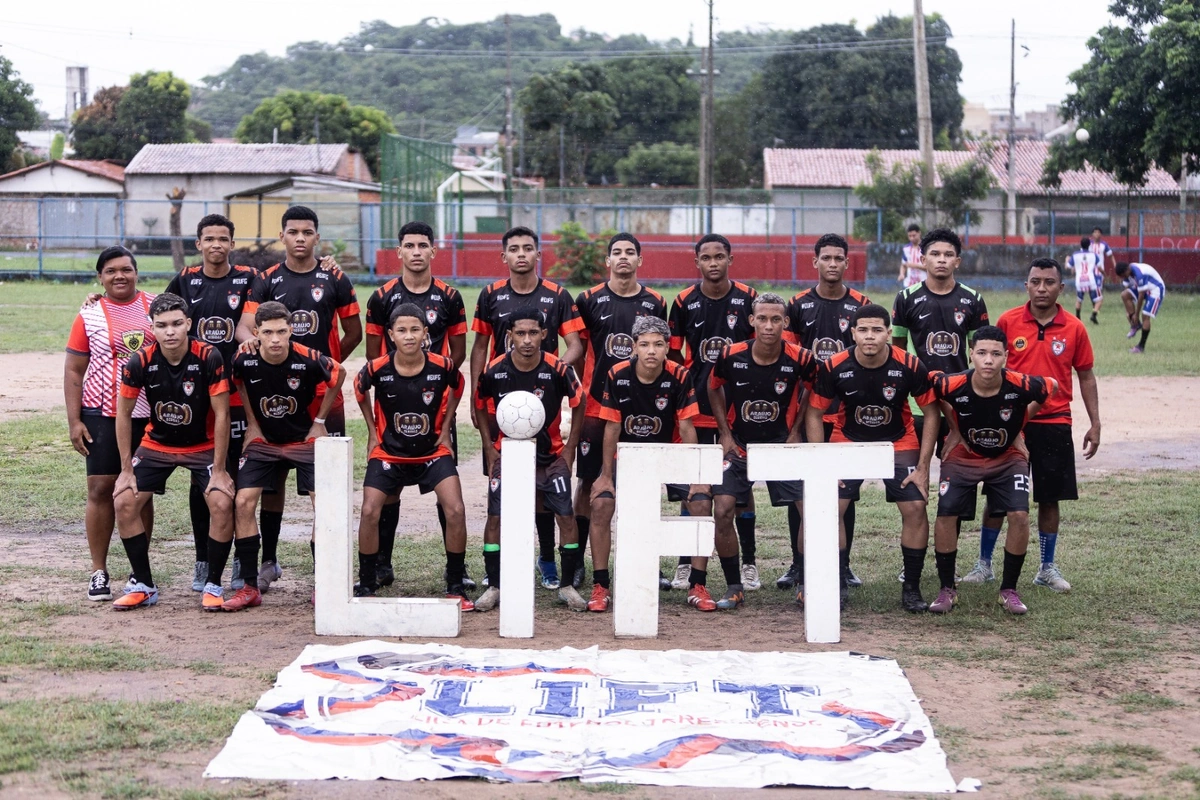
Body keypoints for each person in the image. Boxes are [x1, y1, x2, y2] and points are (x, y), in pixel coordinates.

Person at [236, 205, 360, 593]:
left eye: (308, 231)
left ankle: (324, 576)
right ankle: (268, 562)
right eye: (293, 231)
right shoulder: (267, 278)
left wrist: (325, 362)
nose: (301, 238)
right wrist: (266, 353)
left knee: (321, 486)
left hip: (321, 396)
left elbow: (353, 329)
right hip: (272, 391)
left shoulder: (334, 276)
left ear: (317, 237)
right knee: (269, 480)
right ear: (282, 236)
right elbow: (244, 326)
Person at [966, 258, 1100, 593]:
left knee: (1049, 497)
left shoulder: (1074, 328)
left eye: (1049, 282)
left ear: (1061, 288)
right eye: (1035, 281)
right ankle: (984, 564)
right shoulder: (1009, 321)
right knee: (998, 496)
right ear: (1026, 284)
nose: (1042, 288)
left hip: (1055, 422)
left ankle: (1046, 567)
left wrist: (1096, 422)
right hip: (1011, 423)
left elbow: (1085, 376)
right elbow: (988, 367)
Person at [469, 226, 584, 592]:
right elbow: (479, 346)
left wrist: (550, 374)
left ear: (539, 254)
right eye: (514, 249)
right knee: (505, 500)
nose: (521, 254)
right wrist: (477, 396)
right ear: (503, 256)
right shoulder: (490, 295)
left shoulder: (558, 295)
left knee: (551, 490)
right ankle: (500, 575)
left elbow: (576, 345)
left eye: (528, 248)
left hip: (541, 402)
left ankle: (549, 561)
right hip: (506, 401)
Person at [806, 304, 940, 613]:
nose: (870, 336)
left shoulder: (909, 364)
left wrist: (923, 467)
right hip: (847, 440)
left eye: (877, 330)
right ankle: (837, 582)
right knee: (831, 507)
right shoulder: (835, 365)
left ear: (889, 334)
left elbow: (932, 413)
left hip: (898, 441)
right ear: (852, 333)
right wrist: (821, 461)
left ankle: (911, 587)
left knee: (916, 505)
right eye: (863, 330)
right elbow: (814, 413)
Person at [111, 293, 236, 610]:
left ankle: (213, 584)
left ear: (188, 324)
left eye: (177, 324)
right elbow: (123, 414)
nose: (170, 331)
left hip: (203, 445)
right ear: (151, 327)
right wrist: (126, 470)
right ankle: (144, 584)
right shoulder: (139, 360)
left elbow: (223, 414)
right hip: (158, 444)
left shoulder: (209, 356)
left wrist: (220, 470)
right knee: (124, 500)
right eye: (162, 325)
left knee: (221, 502)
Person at [363, 220, 470, 590]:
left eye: (423, 245)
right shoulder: (381, 297)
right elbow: (373, 357)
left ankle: (456, 569)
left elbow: (457, 354)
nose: (416, 252)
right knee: (387, 489)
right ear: (399, 252)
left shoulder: (450, 297)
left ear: (433, 251)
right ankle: (380, 564)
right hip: (395, 403)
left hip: (436, 404)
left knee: (446, 484)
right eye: (409, 245)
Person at [928, 326, 1058, 615]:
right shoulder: (953, 383)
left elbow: (1052, 386)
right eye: (982, 353)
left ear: (1006, 357)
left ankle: (1008, 589)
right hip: (963, 456)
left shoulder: (1020, 384)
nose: (988, 360)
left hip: (1007, 456)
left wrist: (1018, 429)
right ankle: (947, 588)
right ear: (971, 354)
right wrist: (954, 429)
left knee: (1020, 515)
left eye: (996, 354)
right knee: (946, 512)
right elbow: (931, 391)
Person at [227, 301, 346, 610]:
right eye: (268, 332)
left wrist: (319, 422)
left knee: (323, 503)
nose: (276, 339)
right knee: (242, 502)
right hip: (264, 442)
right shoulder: (245, 357)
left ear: (291, 330)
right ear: (256, 333)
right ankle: (250, 586)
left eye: (282, 331)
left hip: (303, 441)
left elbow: (340, 372)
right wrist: (252, 424)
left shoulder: (306, 358)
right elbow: (237, 381)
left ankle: (324, 583)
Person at [353, 303, 472, 609]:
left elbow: (458, 386)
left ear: (425, 333)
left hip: (432, 452)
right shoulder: (377, 367)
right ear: (391, 335)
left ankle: (456, 581)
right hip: (389, 453)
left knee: (455, 509)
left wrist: (446, 428)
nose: (409, 336)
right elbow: (358, 388)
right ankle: (367, 582)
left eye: (415, 329)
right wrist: (372, 431)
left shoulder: (442, 366)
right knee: (369, 510)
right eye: (402, 330)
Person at [706, 293, 817, 611]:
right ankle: (734, 586)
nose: (769, 326)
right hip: (740, 446)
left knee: (809, 511)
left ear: (785, 322)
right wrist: (724, 434)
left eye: (776, 319)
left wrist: (796, 431)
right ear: (752, 321)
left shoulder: (801, 357)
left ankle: (806, 583)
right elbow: (713, 386)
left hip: (782, 446)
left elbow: (812, 386)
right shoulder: (730, 354)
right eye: (763, 319)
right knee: (723, 509)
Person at [165, 213, 257, 593]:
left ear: (232, 244)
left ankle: (240, 558)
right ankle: (203, 557)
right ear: (198, 243)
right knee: (201, 476)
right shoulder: (185, 280)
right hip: (197, 396)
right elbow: (157, 316)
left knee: (237, 474)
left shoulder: (250, 278)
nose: (216, 244)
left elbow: (258, 319)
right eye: (209, 238)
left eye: (223, 238)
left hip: (239, 393)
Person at [473, 310, 587, 613]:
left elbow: (580, 401)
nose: (527, 340)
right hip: (507, 456)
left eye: (533, 333)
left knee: (566, 517)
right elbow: (480, 405)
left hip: (551, 458)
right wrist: (489, 446)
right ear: (509, 334)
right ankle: (495, 585)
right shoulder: (494, 370)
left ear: (544, 334)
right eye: (520, 333)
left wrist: (570, 448)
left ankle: (566, 586)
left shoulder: (559, 369)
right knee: (495, 518)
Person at [573, 233, 668, 591]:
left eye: (630, 252)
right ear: (608, 261)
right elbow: (578, 351)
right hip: (597, 406)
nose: (623, 257)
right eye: (617, 252)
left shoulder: (656, 301)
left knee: (643, 485)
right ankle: (578, 561)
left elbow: (662, 352)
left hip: (641, 407)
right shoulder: (588, 299)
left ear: (640, 260)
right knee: (589, 481)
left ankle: (647, 560)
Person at [589, 316, 703, 612]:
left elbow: (688, 427)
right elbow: (612, 428)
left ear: (668, 348)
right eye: (644, 344)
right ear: (634, 348)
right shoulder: (617, 374)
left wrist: (694, 476)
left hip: (671, 452)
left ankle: (698, 584)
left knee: (701, 501)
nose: (651, 351)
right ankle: (600, 585)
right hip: (629, 456)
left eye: (658, 344)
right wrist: (605, 475)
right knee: (601, 504)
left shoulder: (680, 375)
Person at [666, 234, 758, 591]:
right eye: (707, 258)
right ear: (697, 263)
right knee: (694, 487)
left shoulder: (747, 298)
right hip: (696, 407)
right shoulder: (684, 301)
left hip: (740, 411)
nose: (714, 263)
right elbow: (674, 354)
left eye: (720, 256)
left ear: (730, 259)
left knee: (740, 489)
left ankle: (748, 562)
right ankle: (686, 562)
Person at [64, 246, 156, 601]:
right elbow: (74, 370)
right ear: (100, 277)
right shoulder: (89, 315)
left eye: (127, 269)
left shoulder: (156, 307)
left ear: (137, 273)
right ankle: (98, 571)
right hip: (100, 413)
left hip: (149, 414)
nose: (120, 276)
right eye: (111, 271)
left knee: (141, 493)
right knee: (101, 489)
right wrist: (75, 421)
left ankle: (139, 572)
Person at [781, 233, 871, 591]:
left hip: (847, 413)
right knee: (801, 490)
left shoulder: (862, 306)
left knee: (845, 491)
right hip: (806, 410)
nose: (832, 264)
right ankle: (799, 564)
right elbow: (789, 361)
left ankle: (842, 564)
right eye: (826, 258)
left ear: (847, 263)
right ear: (814, 262)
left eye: (839, 258)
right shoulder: (797, 305)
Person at [892, 228, 989, 456]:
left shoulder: (973, 300)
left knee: (956, 477)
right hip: (918, 402)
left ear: (957, 261)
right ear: (924, 260)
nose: (942, 260)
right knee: (912, 475)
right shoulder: (906, 298)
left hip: (959, 400)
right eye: (935, 254)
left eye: (948, 255)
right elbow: (898, 351)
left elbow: (982, 351)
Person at [1115, 261, 1165, 354]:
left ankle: (1141, 346)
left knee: (1145, 315)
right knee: (1124, 295)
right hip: (1145, 289)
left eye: (1123, 276)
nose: (1124, 278)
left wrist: (1136, 314)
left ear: (1126, 270)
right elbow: (1127, 292)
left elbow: (1141, 296)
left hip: (1155, 289)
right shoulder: (1127, 273)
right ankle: (1136, 325)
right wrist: (1130, 313)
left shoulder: (1139, 274)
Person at [1065, 238, 1103, 324]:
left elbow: (1068, 267)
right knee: (1099, 299)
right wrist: (1104, 273)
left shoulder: (1075, 255)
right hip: (1091, 280)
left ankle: (1078, 317)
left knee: (1079, 299)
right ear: (1090, 245)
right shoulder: (1093, 255)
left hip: (1080, 280)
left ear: (1080, 244)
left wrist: (1067, 259)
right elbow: (1100, 267)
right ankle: (1094, 314)